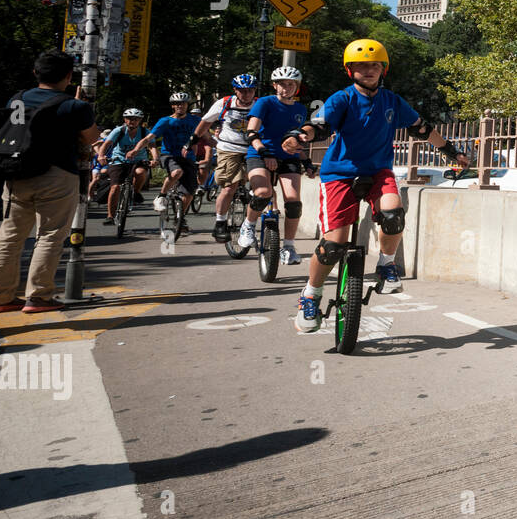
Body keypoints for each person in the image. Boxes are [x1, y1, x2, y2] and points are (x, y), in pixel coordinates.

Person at [292, 39, 466, 333]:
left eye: (375, 65)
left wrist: (451, 151)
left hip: (378, 171)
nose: (369, 70)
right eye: (361, 65)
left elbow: (422, 129)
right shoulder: (342, 99)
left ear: (383, 69)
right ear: (350, 71)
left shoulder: (392, 101)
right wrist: (300, 136)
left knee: (393, 214)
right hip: (339, 175)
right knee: (334, 245)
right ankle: (310, 295)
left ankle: (386, 265)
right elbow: (319, 125)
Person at [0, 50, 99, 313]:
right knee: (49, 236)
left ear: (36, 73)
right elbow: (91, 137)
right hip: (57, 175)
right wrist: (79, 106)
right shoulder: (73, 106)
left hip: (16, 172)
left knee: (9, 237)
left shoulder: (17, 99)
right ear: (69, 77)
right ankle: (38, 296)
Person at [238, 66, 309, 264]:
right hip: (260, 153)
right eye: (282, 84)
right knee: (262, 192)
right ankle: (248, 225)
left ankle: (288, 246)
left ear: (297, 86)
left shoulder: (300, 109)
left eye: (291, 84)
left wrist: (307, 162)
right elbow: (251, 132)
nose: (286, 88)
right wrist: (264, 152)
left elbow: (294, 141)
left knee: (294, 201)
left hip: (288, 157)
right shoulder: (264, 102)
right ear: (274, 85)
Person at [192, 73, 260, 242]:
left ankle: (245, 193)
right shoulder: (224, 103)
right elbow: (206, 122)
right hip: (229, 148)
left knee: (257, 182)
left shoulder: (260, 104)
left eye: (250, 91)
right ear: (235, 90)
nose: (247, 95)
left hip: (252, 148)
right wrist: (192, 140)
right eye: (242, 91)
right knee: (229, 187)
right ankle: (220, 224)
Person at [127, 93, 201, 229]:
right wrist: (135, 150)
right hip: (169, 155)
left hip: (188, 157)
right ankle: (161, 196)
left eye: (183, 103)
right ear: (173, 106)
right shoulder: (165, 121)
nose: (180, 106)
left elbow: (207, 136)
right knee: (177, 171)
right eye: (177, 104)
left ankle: (180, 217)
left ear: (187, 105)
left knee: (189, 193)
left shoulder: (195, 120)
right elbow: (148, 139)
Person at [96, 109, 152, 224]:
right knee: (115, 187)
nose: (132, 121)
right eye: (130, 118)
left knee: (141, 172)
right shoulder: (118, 130)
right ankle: (110, 216)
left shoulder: (144, 132)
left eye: (136, 119)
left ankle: (135, 192)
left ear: (140, 120)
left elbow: (152, 146)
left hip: (138, 160)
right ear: (125, 119)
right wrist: (101, 156)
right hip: (119, 160)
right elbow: (106, 144)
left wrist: (155, 159)